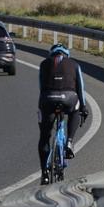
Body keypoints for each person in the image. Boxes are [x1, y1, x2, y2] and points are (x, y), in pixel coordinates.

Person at [38, 43, 89, 184]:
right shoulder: (74, 64)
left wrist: (42, 106)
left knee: (44, 137)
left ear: (51, 54)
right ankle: (70, 142)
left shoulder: (43, 64)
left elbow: (41, 87)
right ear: (66, 54)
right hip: (69, 98)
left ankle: (44, 173)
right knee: (76, 108)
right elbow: (80, 88)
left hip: (47, 99)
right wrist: (83, 107)